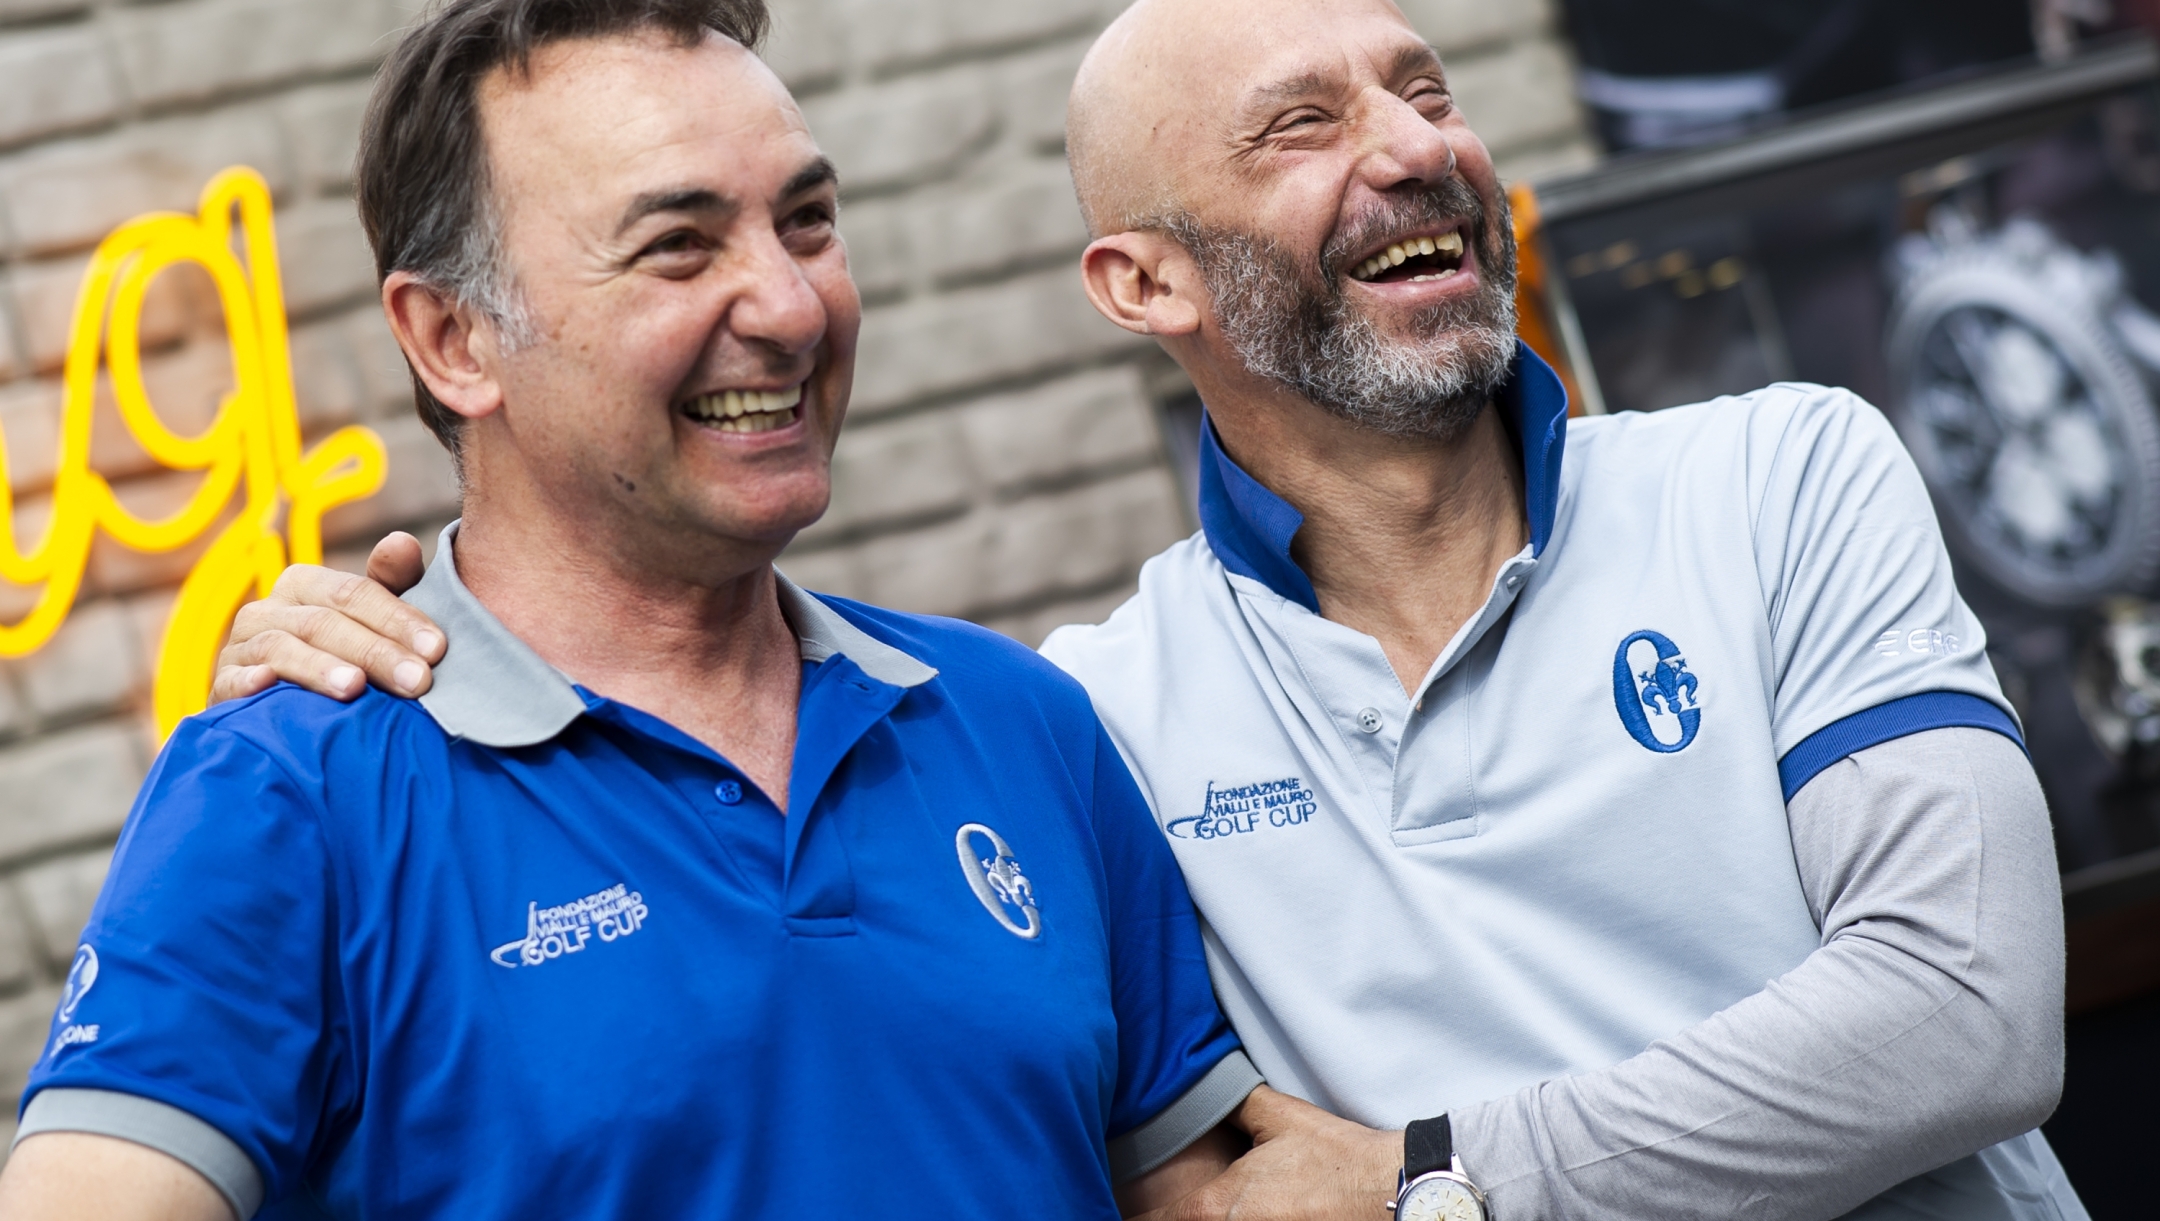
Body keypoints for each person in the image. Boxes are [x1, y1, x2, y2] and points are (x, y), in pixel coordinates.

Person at [209, 0, 2088, 1217]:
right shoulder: (1090, 721)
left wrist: (1451, 1193)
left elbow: (1968, 1013)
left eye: (1424, 91)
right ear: (1139, 280)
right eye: (1299, 129)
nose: (1415, 146)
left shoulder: (1779, 478)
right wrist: (363, 644)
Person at [0, 2, 1261, 1219]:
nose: (788, 307)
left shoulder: (1020, 721)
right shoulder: (291, 795)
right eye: (678, 245)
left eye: (809, 222)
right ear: (452, 339)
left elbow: (1200, 1203)